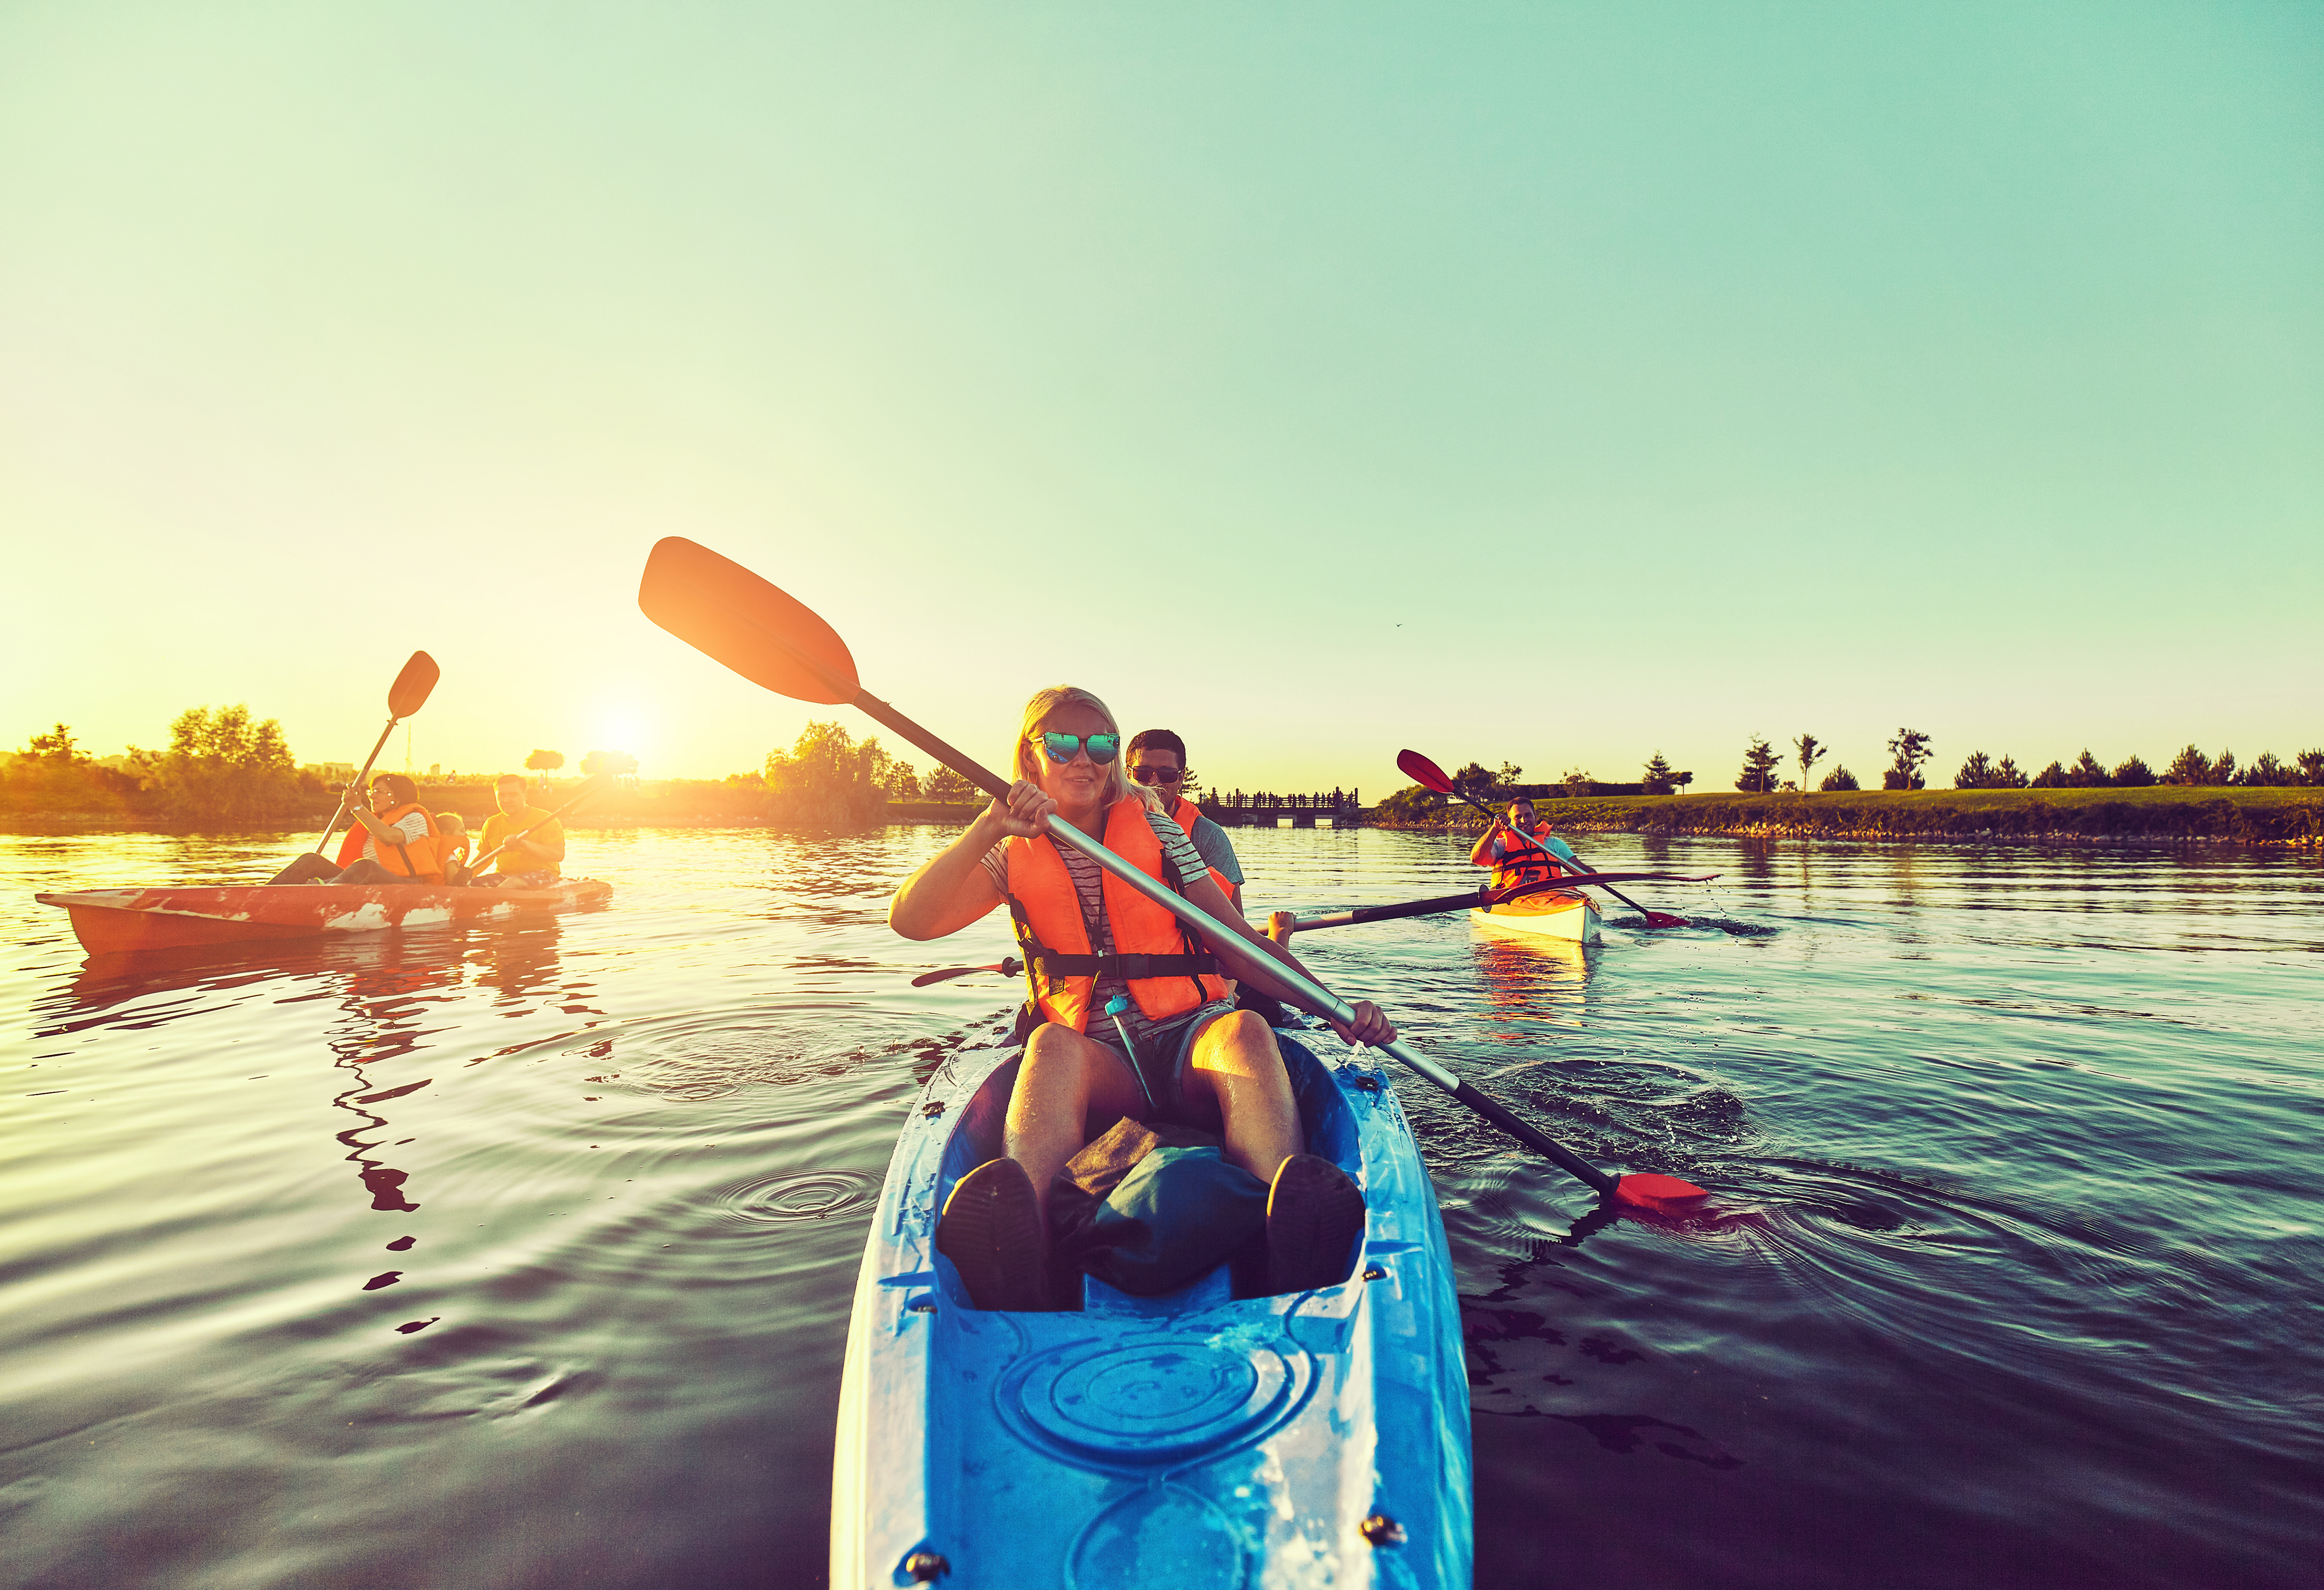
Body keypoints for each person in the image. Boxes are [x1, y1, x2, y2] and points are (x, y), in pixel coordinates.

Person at [889, 685, 1395, 1312]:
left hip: (1190, 1044)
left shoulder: (1159, 830)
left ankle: (1280, 1232)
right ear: (1030, 757)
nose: (1084, 758)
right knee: (1048, 1045)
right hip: (1104, 1067)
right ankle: (1031, 1255)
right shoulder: (1007, 848)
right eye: (1063, 743)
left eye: (1100, 742)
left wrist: (1337, 1011)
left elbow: (1239, 945)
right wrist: (987, 824)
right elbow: (911, 920)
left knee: (1246, 1032)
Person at [1126, 729, 1244, 911]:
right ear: (1128, 775)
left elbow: (1235, 924)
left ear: (1181, 778)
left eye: (1167, 774)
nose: (1155, 783)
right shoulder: (1100, 828)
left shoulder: (1208, 836)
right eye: (1143, 773)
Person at [269, 773, 446, 886]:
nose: (372, 796)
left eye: (379, 791)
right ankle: (264, 896)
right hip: (370, 881)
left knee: (365, 866)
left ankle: (319, 892)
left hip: (410, 883)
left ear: (398, 797)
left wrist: (357, 808)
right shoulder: (374, 821)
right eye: (371, 792)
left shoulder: (415, 817)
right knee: (311, 860)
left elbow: (389, 837)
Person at [473, 774, 565, 889]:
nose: (506, 800)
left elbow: (558, 854)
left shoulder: (546, 819)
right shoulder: (491, 823)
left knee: (511, 883)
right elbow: (484, 858)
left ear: (525, 796)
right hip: (505, 875)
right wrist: (465, 875)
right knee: (470, 884)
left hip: (545, 874)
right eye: (501, 795)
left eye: (513, 795)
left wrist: (524, 844)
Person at [1470, 796, 1579, 894]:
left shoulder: (1554, 845)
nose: (1524, 820)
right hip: (1512, 902)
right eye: (1518, 817)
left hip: (1551, 899)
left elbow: (1580, 869)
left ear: (1535, 817)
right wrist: (1495, 829)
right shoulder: (1501, 846)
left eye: (1528, 815)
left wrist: (1595, 878)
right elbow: (1477, 859)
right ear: (1510, 822)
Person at [435, 811, 473, 886]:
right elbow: (452, 883)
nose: (466, 834)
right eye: (462, 831)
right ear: (447, 834)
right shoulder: (450, 858)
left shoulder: (433, 850)